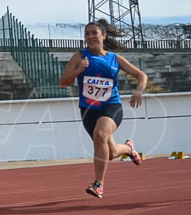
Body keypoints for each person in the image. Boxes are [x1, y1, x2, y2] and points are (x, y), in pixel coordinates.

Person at [58, 19, 147, 199]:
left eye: (94, 33)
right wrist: (79, 69)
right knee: (111, 152)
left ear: (103, 36)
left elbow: (141, 75)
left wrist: (138, 91)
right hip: (88, 109)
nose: (90, 37)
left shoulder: (114, 59)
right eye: (87, 34)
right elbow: (63, 83)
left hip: (111, 105)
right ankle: (129, 149)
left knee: (100, 136)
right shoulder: (80, 56)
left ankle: (99, 184)